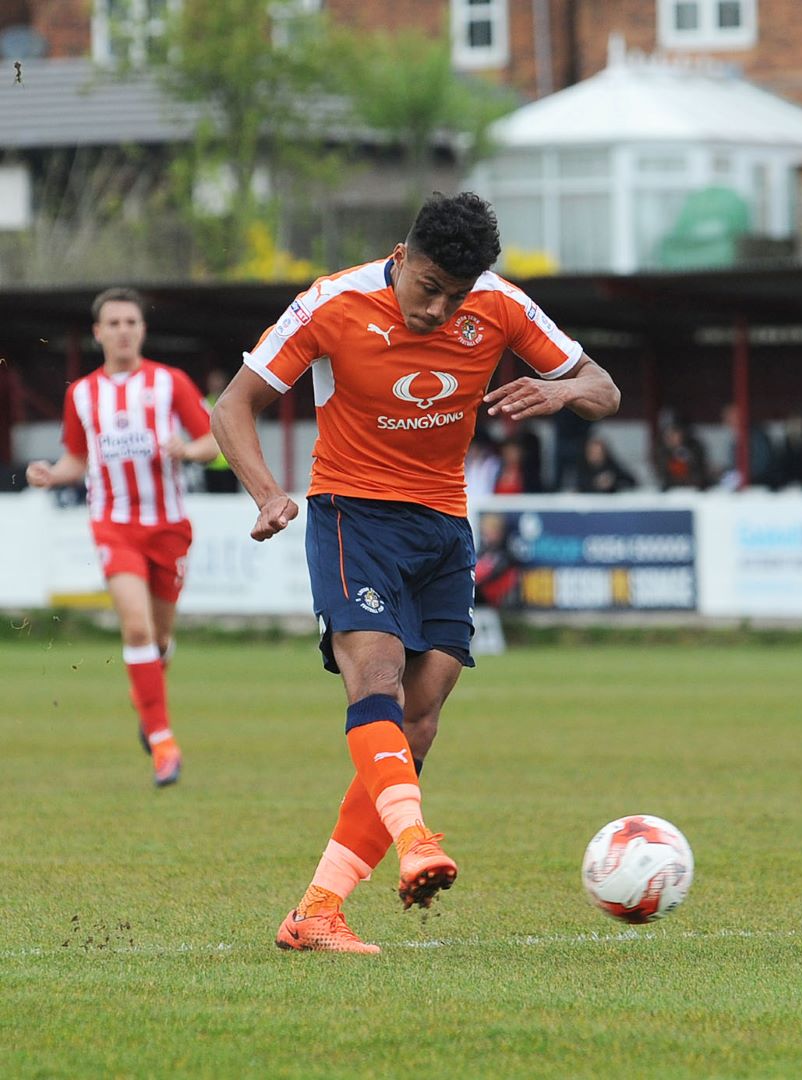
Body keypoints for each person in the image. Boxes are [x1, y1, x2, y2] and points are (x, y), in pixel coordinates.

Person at [210, 192, 620, 954]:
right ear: (402, 258)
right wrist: (267, 493)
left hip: (442, 527)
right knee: (377, 676)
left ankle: (318, 911)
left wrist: (562, 389)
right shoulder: (331, 304)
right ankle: (416, 840)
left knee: (421, 716)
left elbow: (604, 387)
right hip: (353, 515)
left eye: (455, 297)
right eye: (428, 288)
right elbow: (234, 405)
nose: (438, 310)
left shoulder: (500, 305)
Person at [25, 287, 219, 787]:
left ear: (142, 329)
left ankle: (147, 697)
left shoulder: (169, 382)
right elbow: (76, 459)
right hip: (114, 524)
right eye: (113, 323)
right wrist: (51, 474)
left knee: (160, 638)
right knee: (135, 630)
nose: (123, 330)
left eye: (131, 322)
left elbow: (211, 440)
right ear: (98, 333)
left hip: (169, 526)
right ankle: (163, 743)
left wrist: (187, 450)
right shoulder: (82, 394)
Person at [201, 368, 241, 493]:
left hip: (231, 464)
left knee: (231, 500)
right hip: (211, 464)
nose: (216, 385)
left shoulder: (232, 404)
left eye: (218, 381)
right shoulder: (204, 403)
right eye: (213, 382)